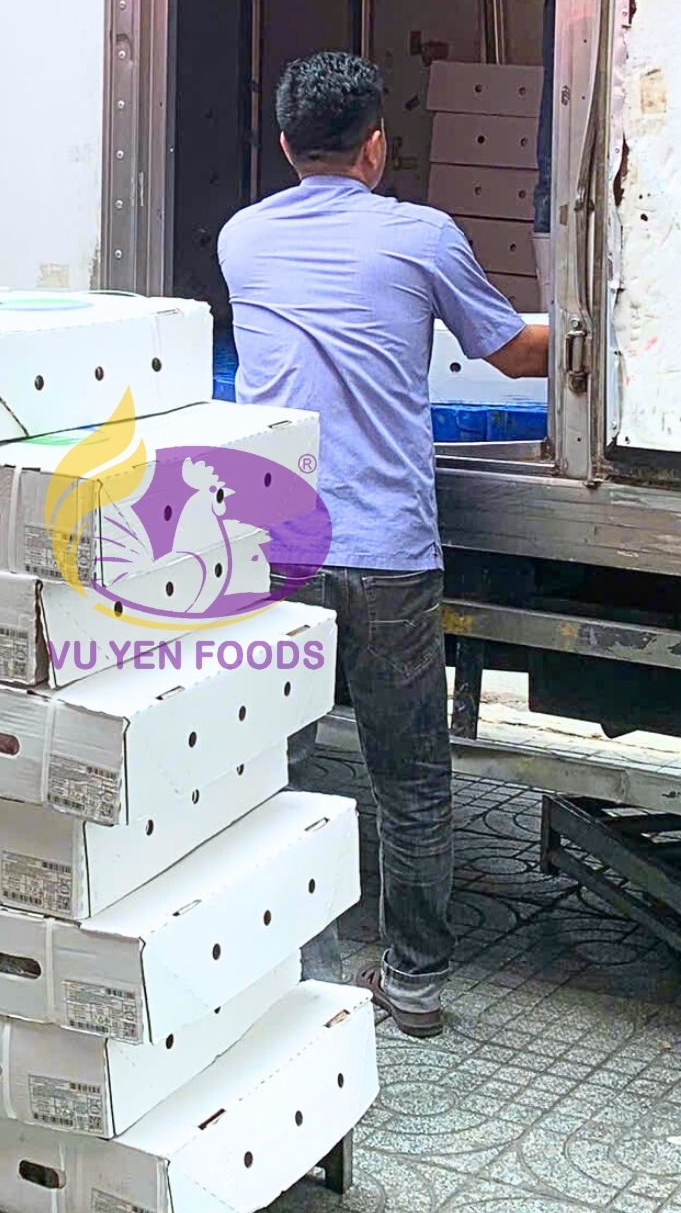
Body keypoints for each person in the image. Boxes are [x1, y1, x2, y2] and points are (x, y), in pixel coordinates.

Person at [219, 51, 548, 1037]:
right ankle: (414, 984)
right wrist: (606, 321)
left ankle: (297, 971)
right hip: (389, 550)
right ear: (376, 146)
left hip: (277, 544)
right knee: (409, 777)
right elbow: (512, 353)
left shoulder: (242, 238)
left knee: (267, 772)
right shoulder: (421, 236)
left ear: (285, 145)